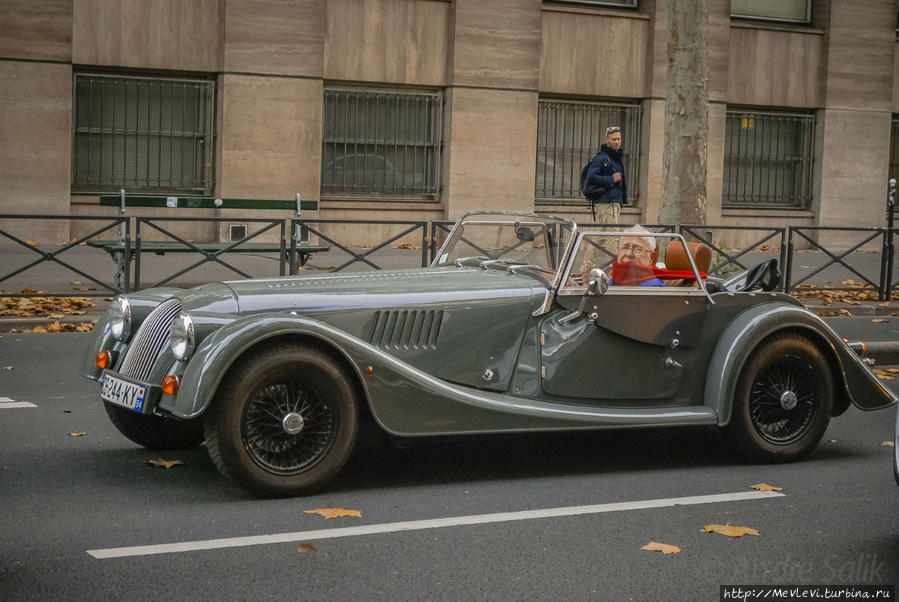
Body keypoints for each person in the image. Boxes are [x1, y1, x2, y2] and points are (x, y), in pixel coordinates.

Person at [584, 125, 628, 226]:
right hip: (607, 203)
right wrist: (611, 179)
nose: (617, 142)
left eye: (619, 139)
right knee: (612, 237)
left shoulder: (615, 158)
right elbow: (591, 176)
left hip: (613, 202)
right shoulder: (602, 158)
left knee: (602, 236)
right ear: (607, 140)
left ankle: (584, 242)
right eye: (614, 139)